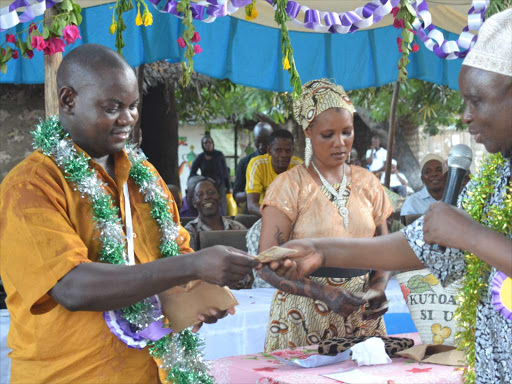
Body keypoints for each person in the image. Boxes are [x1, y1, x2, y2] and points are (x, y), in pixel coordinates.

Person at [269, 10, 512, 383]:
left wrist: (470, 234)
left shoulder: (366, 181)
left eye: (477, 101)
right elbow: (416, 245)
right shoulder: (495, 177)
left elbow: (462, 238)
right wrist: (321, 249)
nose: (465, 116)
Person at [0, 44, 260, 384]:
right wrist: (192, 265)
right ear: (68, 100)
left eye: (133, 106)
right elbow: (72, 287)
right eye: (112, 107)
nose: (128, 118)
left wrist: (201, 292)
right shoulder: (30, 186)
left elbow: (174, 254)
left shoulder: (145, 177)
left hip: (155, 372)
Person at [257, 79, 394, 352]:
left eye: (347, 132)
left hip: (360, 313)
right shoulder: (290, 186)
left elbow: (385, 250)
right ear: (308, 132)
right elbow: (264, 265)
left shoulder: (368, 183)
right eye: (328, 135)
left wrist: (377, 287)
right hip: (305, 315)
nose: (340, 143)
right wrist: (323, 293)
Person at [245, 129, 302, 217]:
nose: (283, 155)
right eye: (278, 150)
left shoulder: (299, 167)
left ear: (293, 151)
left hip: (292, 218)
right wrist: (275, 218)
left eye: (288, 151)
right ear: (269, 150)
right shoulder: (257, 164)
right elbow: (252, 205)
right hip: (264, 216)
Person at [185, 178, 246, 250]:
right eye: (200, 194)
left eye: (211, 192)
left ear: (219, 197)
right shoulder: (189, 232)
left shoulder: (237, 228)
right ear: (194, 202)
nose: (206, 197)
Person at [233, 122, 273, 209]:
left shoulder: (279, 161)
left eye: (266, 142)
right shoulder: (245, 162)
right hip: (254, 211)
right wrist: (249, 192)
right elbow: (236, 194)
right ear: (253, 139)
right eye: (258, 142)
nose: (262, 146)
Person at [190, 135, 232, 215]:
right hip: (206, 186)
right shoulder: (200, 157)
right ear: (202, 145)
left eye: (209, 142)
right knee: (209, 205)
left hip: (220, 184)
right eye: (205, 143)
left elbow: (225, 172)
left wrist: (229, 187)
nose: (208, 144)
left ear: (213, 144)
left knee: (222, 207)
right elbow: (192, 173)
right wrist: (204, 179)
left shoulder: (219, 155)